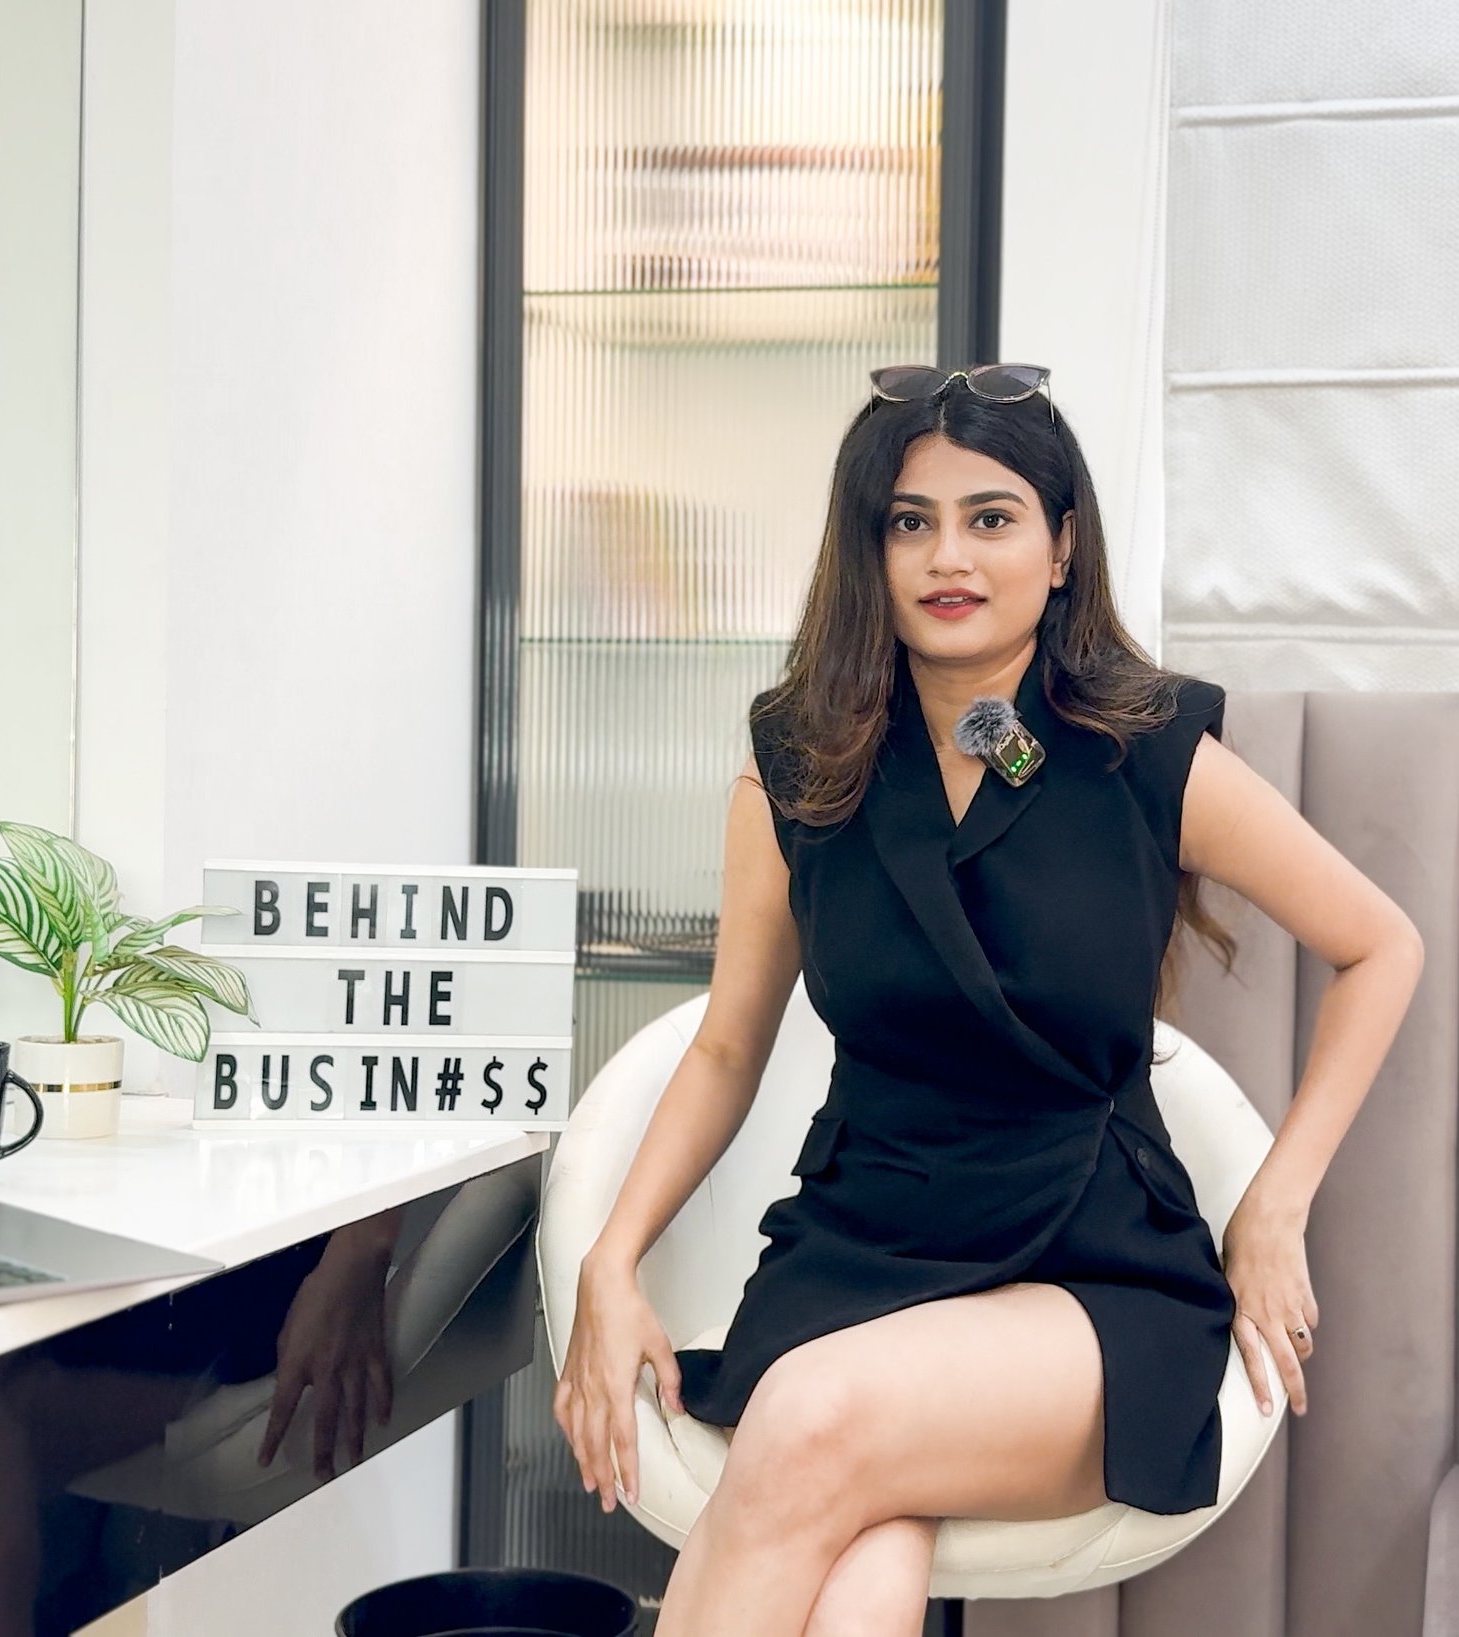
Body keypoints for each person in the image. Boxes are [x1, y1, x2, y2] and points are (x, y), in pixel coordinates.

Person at [551, 364, 1426, 1637]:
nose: (946, 554)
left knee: (809, 1419)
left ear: (1063, 546)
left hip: (1091, 1260)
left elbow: (1382, 945)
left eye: (992, 516)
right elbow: (730, 1041)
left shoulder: (1146, 750)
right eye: (910, 520)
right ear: (869, 548)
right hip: (861, 1246)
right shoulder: (800, 765)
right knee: (858, 1580)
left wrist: (1275, 1206)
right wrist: (609, 1258)